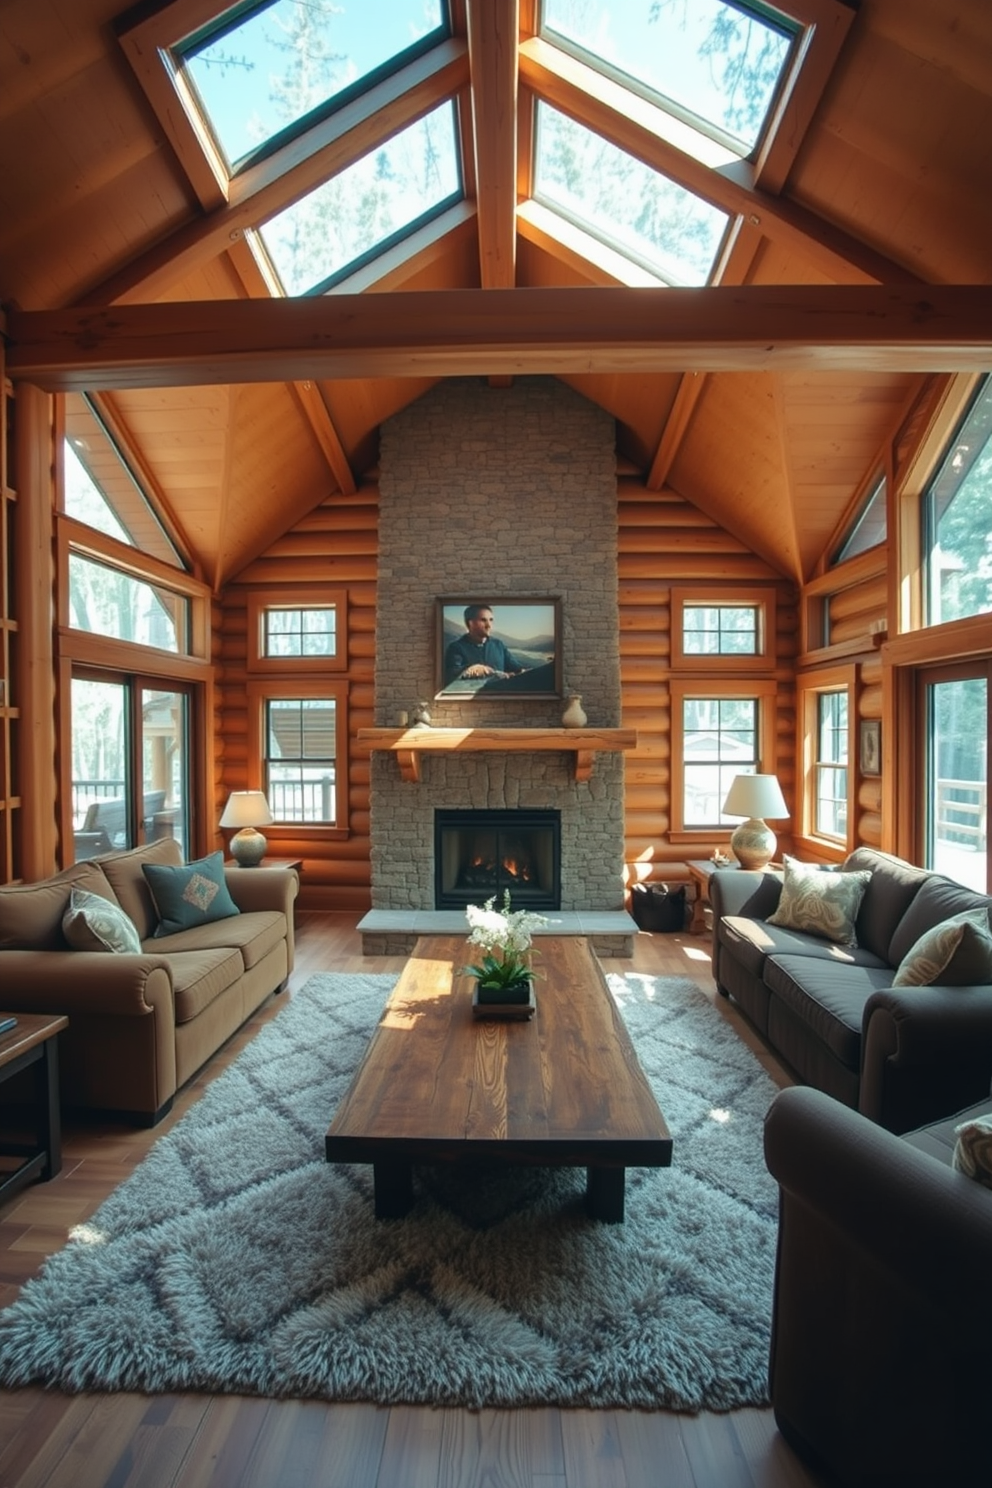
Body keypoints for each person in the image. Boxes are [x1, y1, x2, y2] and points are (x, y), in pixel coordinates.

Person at [444, 604, 525, 686]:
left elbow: (517, 669)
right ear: (470, 623)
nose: (489, 625)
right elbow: (451, 676)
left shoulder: (498, 645)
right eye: (483, 620)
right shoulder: (456, 648)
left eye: (491, 620)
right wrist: (476, 670)